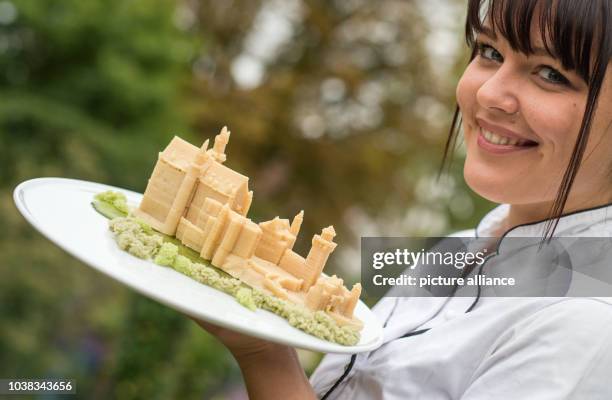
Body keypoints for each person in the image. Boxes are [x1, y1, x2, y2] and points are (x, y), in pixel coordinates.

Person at [194, 0, 612, 398]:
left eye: (551, 74)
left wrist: (265, 355)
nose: (488, 94)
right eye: (489, 51)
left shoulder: (588, 324)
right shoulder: (455, 250)